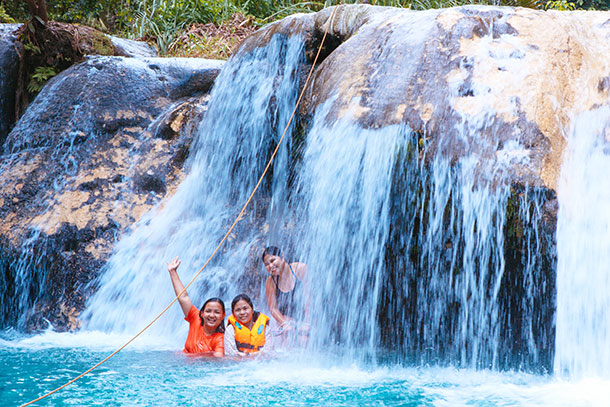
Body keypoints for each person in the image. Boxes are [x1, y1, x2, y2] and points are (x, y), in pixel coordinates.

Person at [167, 257, 225, 356]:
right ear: (201, 313)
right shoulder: (195, 319)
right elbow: (183, 297)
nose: (212, 315)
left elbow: (218, 358)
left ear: (223, 316)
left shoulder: (220, 338)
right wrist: (173, 272)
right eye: (208, 311)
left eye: (217, 312)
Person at [262, 246, 309, 334]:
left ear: (282, 256)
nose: (271, 265)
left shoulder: (300, 269)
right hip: (286, 320)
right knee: (286, 338)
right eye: (267, 264)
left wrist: (307, 322)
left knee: (303, 338)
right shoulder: (270, 281)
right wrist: (285, 323)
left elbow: (310, 298)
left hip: (306, 316)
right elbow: (273, 309)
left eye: (273, 260)